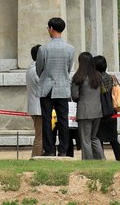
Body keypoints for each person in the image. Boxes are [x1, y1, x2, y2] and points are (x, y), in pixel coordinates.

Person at [35, 16, 75, 158]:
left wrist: (46, 77)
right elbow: (69, 68)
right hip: (63, 87)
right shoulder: (70, 49)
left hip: (46, 87)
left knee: (46, 119)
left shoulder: (43, 49)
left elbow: (39, 69)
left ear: (51, 29)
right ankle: (63, 150)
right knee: (63, 120)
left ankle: (49, 149)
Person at [70, 52, 103, 160]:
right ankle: (101, 159)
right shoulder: (97, 75)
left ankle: (88, 161)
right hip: (97, 111)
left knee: (85, 139)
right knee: (94, 137)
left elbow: (74, 95)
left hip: (84, 111)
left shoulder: (79, 76)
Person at [92, 56, 120, 161]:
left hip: (98, 112)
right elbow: (117, 92)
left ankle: (101, 158)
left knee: (98, 138)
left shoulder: (94, 79)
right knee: (114, 138)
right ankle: (118, 159)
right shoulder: (112, 78)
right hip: (111, 112)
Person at [25, 45, 44, 158]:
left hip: (35, 107)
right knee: (39, 136)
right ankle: (35, 157)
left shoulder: (31, 69)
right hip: (38, 108)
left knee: (41, 135)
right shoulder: (36, 71)